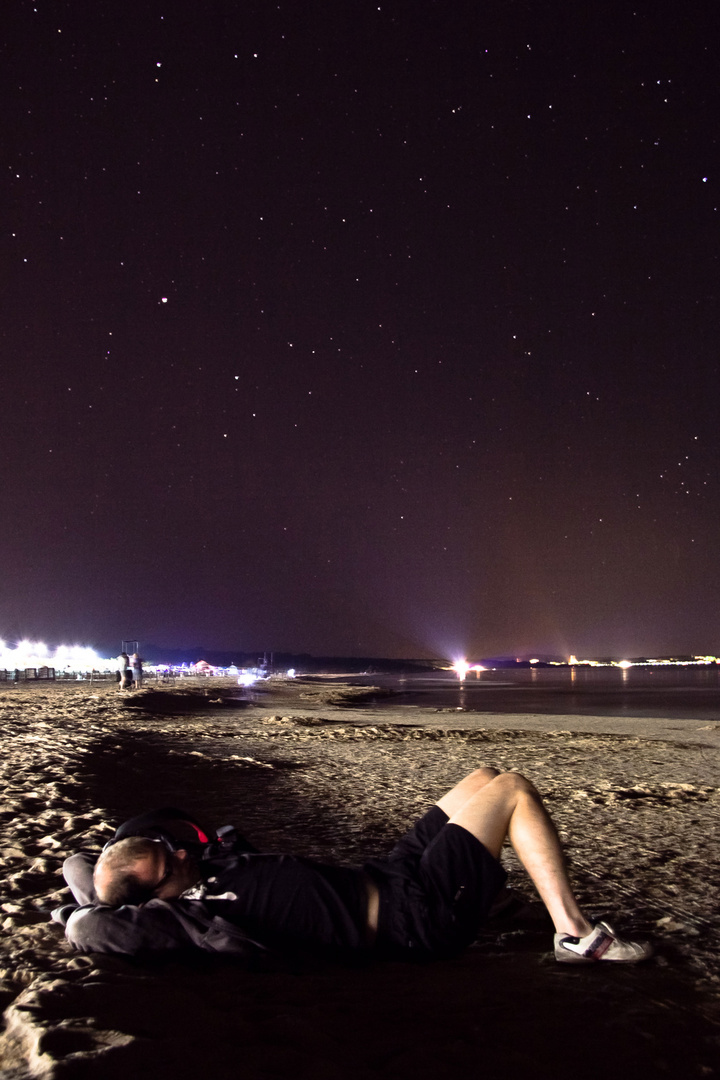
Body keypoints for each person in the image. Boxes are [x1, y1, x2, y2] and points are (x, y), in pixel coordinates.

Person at [54, 769, 652, 965]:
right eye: (169, 858)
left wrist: (98, 887)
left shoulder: (192, 871)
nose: (183, 851)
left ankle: (488, 892)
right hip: (414, 918)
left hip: (387, 874)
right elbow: (92, 925)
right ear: (154, 894)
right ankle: (577, 938)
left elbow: (79, 863)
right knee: (515, 790)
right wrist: (82, 914)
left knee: (484, 777)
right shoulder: (192, 918)